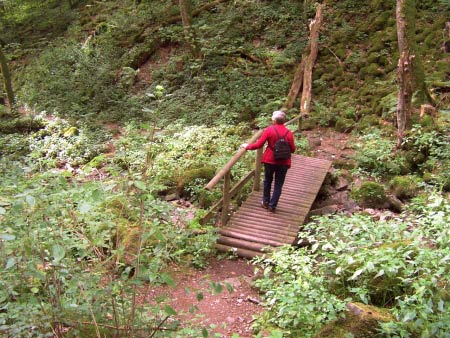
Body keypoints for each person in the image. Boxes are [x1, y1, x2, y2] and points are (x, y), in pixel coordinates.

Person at [241, 110, 296, 212]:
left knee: (267, 181)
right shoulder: (289, 133)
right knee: (278, 184)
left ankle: (265, 202)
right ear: (284, 121)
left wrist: (247, 146)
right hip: (283, 162)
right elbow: (292, 149)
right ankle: (272, 206)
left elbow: (258, 145)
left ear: (274, 120)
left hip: (270, 160)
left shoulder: (269, 130)